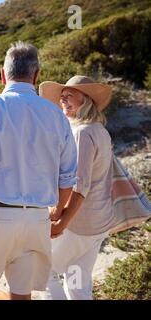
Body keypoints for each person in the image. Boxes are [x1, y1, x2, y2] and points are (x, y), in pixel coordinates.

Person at [0, 41, 78, 300]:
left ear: (3, 74)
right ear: (36, 76)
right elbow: (68, 178)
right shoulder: (57, 116)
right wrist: (55, 214)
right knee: (22, 294)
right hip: (36, 220)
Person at [39, 75, 116, 300]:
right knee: (77, 282)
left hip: (78, 224)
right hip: (99, 222)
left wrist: (61, 223)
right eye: (62, 97)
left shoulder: (82, 133)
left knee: (44, 271)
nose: (63, 101)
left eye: (70, 96)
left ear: (86, 100)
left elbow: (79, 185)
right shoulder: (100, 130)